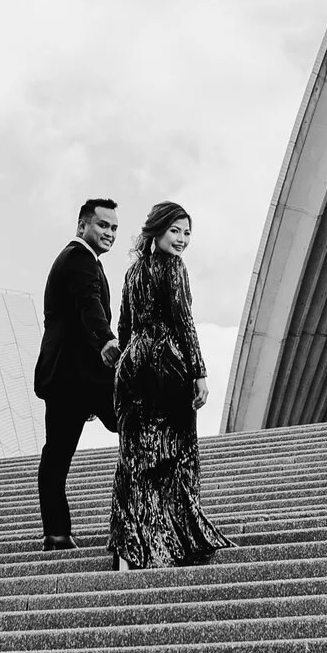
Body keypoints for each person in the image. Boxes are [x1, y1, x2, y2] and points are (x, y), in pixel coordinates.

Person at [108, 201, 230, 570]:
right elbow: (183, 320)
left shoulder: (132, 272)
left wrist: (123, 368)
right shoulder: (174, 267)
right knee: (175, 455)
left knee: (134, 458)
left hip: (133, 367)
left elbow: (124, 326)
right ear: (157, 231)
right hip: (167, 367)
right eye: (175, 230)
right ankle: (174, 542)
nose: (182, 239)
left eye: (187, 232)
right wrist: (199, 372)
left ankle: (129, 549)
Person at [33, 198, 120, 550]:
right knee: (139, 425)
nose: (109, 232)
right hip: (79, 376)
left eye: (114, 227)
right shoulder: (79, 259)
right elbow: (89, 304)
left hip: (71, 378)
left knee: (57, 455)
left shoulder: (80, 259)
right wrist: (106, 340)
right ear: (82, 226)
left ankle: (56, 533)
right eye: (103, 225)